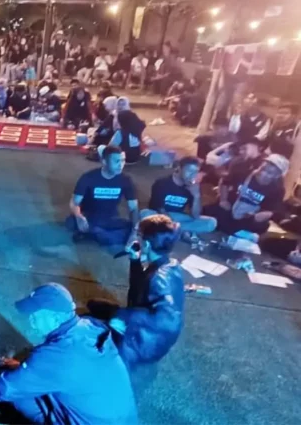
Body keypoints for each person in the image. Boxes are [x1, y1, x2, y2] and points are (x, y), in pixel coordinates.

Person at [0, 283, 138, 424]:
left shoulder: (57, 354)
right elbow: (66, 370)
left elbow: (5, 387)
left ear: (55, 318)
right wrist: (25, 368)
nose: (30, 321)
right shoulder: (89, 326)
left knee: (18, 396)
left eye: (35, 316)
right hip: (120, 418)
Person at [92, 214, 185, 367]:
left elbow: (168, 320)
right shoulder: (169, 264)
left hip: (144, 344)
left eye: (140, 236)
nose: (137, 239)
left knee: (92, 334)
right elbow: (138, 287)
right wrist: (135, 260)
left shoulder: (159, 278)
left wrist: (124, 316)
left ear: (146, 244)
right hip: (143, 323)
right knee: (94, 305)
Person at [68, 145, 138, 246]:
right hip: (89, 216)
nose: (121, 165)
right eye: (116, 161)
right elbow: (75, 202)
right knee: (71, 222)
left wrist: (134, 232)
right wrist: (79, 216)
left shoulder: (125, 180)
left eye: (123, 161)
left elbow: (133, 208)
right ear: (104, 162)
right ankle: (100, 234)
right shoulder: (88, 177)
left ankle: (94, 234)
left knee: (133, 225)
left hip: (110, 218)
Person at [203, 154, 288, 236]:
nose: (263, 173)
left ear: (277, 176)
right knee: (209, 213)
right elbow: (225, 182)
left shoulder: (278, 189)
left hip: (248, 218)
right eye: (262, 168)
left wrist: (261, 215)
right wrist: (223, 200)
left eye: (269, 173)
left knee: (261, 228)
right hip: (229, 209)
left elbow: (272, 210)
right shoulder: (244, 173)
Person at [143, 156, 216, 236]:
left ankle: (172, 230)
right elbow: (160, 209)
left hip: (177, 217)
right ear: (179, 168)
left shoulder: (192, 186)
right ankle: (179, 231)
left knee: (211, 222)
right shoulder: (162, 183)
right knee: (145, 213)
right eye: (189, 171)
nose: (192, 175)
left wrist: (196, 196)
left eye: (195, 172)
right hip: (160, 216)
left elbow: (195, 215)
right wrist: (172, 223)